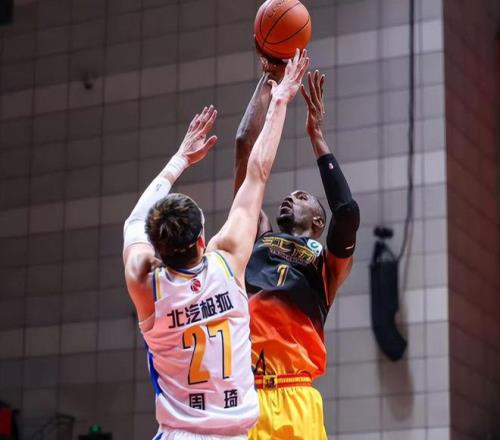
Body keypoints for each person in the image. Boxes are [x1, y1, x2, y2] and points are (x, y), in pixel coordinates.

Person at [122, 49, 309, 440]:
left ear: (158, 247)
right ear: (202, 239)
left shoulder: (146, 284)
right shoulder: (227, 261)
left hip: (179, 433)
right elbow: (257, 172)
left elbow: (134, 222)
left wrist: (178, 160)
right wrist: (280, 101)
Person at [234, 61, 360, 439]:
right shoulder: (259, 237)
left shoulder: (327, 264)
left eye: (302, 197)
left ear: (318, 221)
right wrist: (271, 74)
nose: (290, 197)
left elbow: (347, 211)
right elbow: (244, 144)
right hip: (248, 393)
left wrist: (316, 135)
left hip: (297, 396)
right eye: (289, 196)